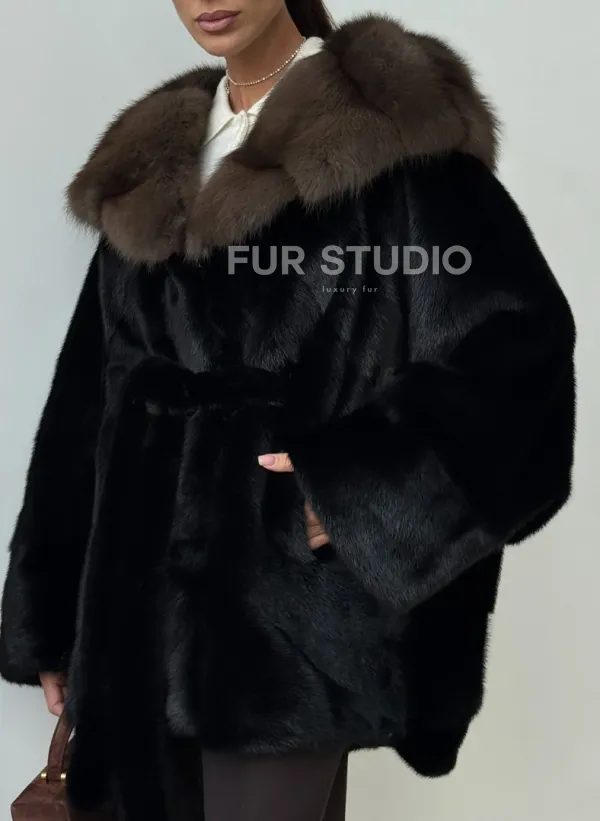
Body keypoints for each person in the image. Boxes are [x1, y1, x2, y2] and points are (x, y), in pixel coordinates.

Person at [0, 1, 576, 820]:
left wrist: (353, 495)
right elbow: (89, 397)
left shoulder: (392, 137)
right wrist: (52, 612)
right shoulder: (149, 165)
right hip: (129, 618)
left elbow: (517, 354)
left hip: (288, 636)